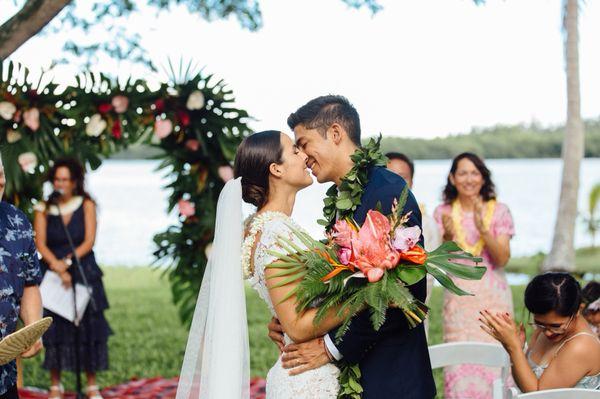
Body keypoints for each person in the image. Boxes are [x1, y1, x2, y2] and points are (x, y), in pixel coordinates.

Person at [268, 96, 435, 398]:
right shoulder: (341, 199)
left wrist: (330, 348)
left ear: (335, 133)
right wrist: (293, 315)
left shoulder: (385, 190)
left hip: (392, 378)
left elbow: (404, 293)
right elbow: (346, 283)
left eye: (304, 143)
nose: (303, 156)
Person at [177, 130, 349, 398]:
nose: (304, 155)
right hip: (307, 380)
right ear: (276, 169)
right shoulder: (276, 233)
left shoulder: (262, 227)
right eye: (294, 150)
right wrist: (362, 300)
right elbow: (296, 326)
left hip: (302, 372)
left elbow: (290, 304)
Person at [433, 152, 514, 398]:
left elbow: (502, 259)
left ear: (483, 177)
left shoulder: (499, 211)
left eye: (474, 173)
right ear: (452, 178)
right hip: (459, 305)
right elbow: (439, 265)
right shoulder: (442, 212)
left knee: (495, 365)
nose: (469, 179)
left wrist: (483, 229)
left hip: (493, 301)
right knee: (460, 365)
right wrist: (446, 237)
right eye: (463, 173)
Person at [33, 158, 111, 399]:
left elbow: (89, 240)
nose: (61, 183)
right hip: (53, 273)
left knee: (87, 326)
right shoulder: (44, 208)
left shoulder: (86, 204)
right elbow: (40, 242)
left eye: (65, 179)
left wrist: (67, 262)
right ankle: (55, 384)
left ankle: (90, 384)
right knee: (55, 327)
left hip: (82, 269)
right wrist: (57, 266)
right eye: (57, 179)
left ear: (75, 181)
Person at [480, 272, 600, 391]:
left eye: (556, 325)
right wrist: (518, 351)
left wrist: (514, 348)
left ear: (578, 310)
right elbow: (525, 382)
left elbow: (539, 395)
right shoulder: (542, 330)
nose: (547, 332)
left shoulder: (582, 346)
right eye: (540, 323)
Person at [0, 154, 44, 399]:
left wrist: (32, 327)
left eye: (1, 175)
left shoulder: (18, 222)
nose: (0, 182)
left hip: (4, 377)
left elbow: (29, 283)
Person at [386, 152, 441, 337]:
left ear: (411, 182)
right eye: (389, 176)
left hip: (410, 314)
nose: (394, 184)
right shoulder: (372, 219)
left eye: (401, 178)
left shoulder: (427, 223)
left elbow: (429, 276)